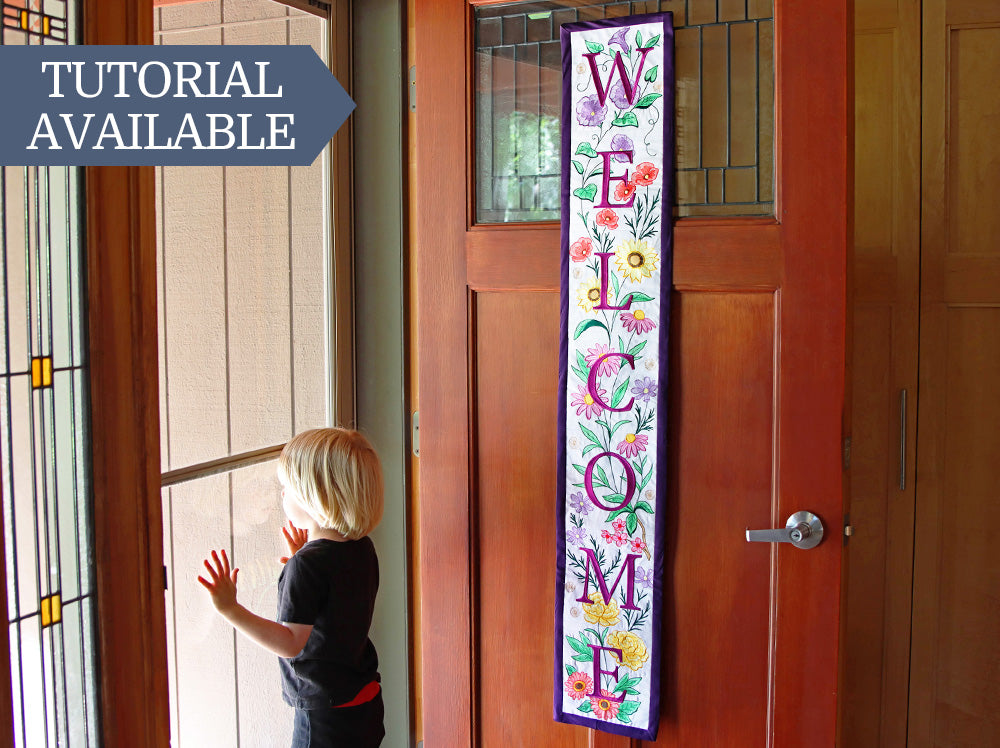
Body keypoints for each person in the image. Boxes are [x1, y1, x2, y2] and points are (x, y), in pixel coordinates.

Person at [198, 428, 385, 748]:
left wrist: (230, 608)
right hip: (363, 702)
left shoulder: (307, 565)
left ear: (316, 497)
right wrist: (304, 554)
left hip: (325, 717)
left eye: (288, 488)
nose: (282, 495)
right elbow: (336, 608)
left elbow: (290, 643)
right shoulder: (361, 547)